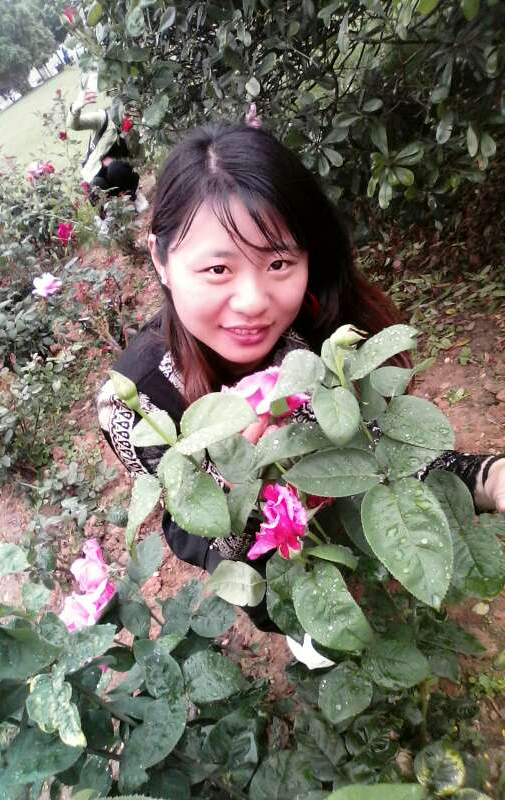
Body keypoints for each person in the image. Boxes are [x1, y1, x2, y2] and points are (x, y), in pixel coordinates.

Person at [97, 122, 505, 646]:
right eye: (218, 268)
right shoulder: (138, 403)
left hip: (360, 520)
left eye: (278, 262)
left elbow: (380, 450)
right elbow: (193, 531)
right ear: (162, 259)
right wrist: (235, 491)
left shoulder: (320, 328)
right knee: (320, 644)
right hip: (281, 578)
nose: (253, 302)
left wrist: (487, 477)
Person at [66, 90, 146, 213]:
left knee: (115, 168)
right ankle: (107, 216)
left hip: (120, 175)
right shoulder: (103, 119)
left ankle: (135, 197)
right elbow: (74, 125)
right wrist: (76, 108)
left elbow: (140, 160)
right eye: (128, 110)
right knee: (96, 185)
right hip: (97, 174)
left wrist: (118, 160)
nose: (131, 116)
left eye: (135, 112)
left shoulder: (136, 130)